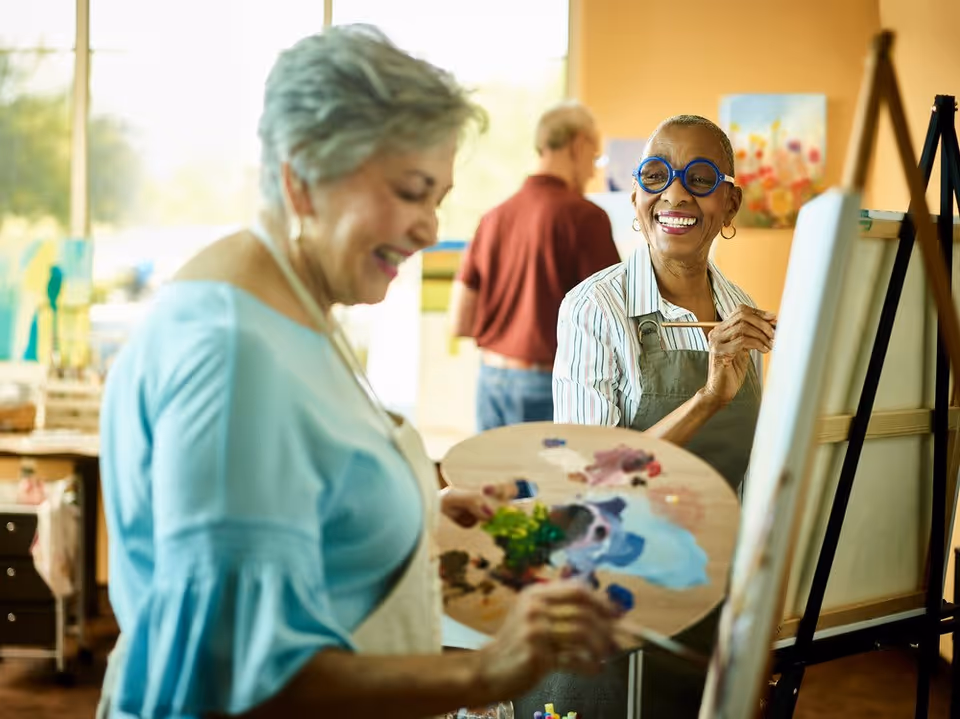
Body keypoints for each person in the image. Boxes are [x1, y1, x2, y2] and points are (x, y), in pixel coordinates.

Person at [95, 26, 619, 719]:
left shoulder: (294, 298)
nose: (432, 227)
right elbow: (234, 681)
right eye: (411, 192)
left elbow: (292, 492)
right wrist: (485, 675)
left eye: (439, 197)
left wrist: (408, 507)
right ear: (302, 176)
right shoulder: (231, 355)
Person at [529, 115, 777, 719]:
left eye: (698, 177)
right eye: (656, 175)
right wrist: (706, 400)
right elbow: (589, 478)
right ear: (636, 195)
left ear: (729, 202)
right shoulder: (595, 307)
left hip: (710, 588)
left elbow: (749, 468)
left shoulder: (740, 309)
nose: (675, 194)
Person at [448, 101, 621, 432]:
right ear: (578, 144)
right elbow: (611, 319)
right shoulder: (586, 218)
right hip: (548, 384)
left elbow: (459, 320)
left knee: (493, 484)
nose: (593, 170)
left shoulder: (493, 218)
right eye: (594, 157)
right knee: (553, 484)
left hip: (490, 379)